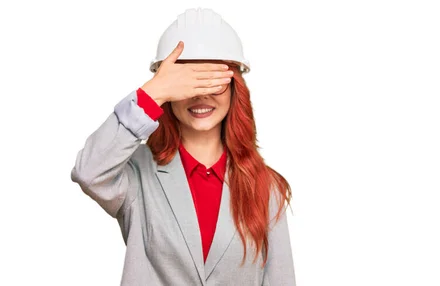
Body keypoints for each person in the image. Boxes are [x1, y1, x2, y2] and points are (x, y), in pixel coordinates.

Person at [70, 7, 295, 286]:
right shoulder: (137, 174)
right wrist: (153, 93)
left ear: (236, 87)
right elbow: (88, 172)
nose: (200, 94)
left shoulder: (266, 186)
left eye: (213, 81)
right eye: (186, 82)